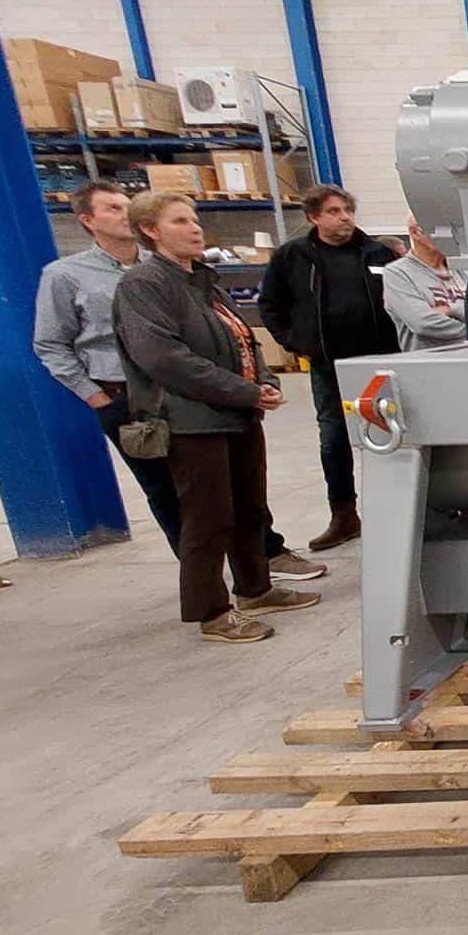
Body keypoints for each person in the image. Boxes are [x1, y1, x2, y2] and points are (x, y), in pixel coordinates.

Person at [31, 181, 325, 581]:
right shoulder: (68, 276)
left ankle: (262, 562)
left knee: (235, 491)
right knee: (171, 493)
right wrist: (95, 395)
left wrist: (255, 381)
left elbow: (233, 332)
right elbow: (53, 343)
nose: (125, 212)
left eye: (127, 204)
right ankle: (205, 583)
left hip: (202, 394)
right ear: (87, 220)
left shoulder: (182, 272)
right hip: (130, 397)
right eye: (113, 208)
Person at [114, 191, 322, 643]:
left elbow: (244, 339)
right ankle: (211, 611)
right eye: (180, 221)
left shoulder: (204, 281)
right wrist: (244, 391)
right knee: (207, 518)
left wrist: (264, 380)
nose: (194, 228)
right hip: (192, 421)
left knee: (249, 508)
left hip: (238, 414)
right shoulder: (143, 285)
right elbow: (164, 358)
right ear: (150, 230)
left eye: (194, 219)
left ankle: (256, 589)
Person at [259, 185, 402, 551]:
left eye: (348, 210)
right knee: (334, 439)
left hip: (381, 363)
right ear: (314, 217)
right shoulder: (293, 257)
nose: (345, 218)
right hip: (329, 366)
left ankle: (398, 513)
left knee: (391, 436)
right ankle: (344, 516)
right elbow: (271, 304)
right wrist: (295, 342)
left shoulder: (378, 252)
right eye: (335, 212)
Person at [380, 216, 467, 350]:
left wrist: (450, 309)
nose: (451, 237)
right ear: (415, 233)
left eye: (453, 230)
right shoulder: (397, 273)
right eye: (442, 230)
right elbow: (422, 323)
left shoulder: (463, 269)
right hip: (430, 360)